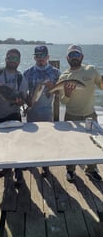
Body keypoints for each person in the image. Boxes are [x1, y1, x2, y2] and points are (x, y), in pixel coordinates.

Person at [59, 44, 103, 182]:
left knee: (93, 143)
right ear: (67, 58)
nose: (74, 57)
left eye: (76, 54)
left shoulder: (91, 70)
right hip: (71, 116)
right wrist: (67, 94)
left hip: (90, 115)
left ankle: (90, 169)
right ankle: (70, 170)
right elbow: (63, 101)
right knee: (71, 144)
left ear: (82, 56)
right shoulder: (64, 76)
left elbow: (101, 87)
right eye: (71, 55)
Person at [0, 48, 28, 185]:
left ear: (19, 61)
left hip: (14, 115)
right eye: (9, 57)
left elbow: (23, 98)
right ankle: (6, 167)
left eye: (15, 58)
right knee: (0, 145)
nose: (12, 60)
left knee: (17, 145)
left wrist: (21, 101)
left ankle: (18, 171)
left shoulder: (21, 78)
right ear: (5, 59)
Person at [24, 45, 60, 176]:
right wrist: (26, 102)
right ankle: (32, 161)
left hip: (46, 112)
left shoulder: (56, 72)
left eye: (43, 56)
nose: (41, 59)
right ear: (34, 57)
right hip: (32, 111)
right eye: (38, 56)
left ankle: (45, 165)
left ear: (48, 57)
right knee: (32, 138)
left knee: (47, 139)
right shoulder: (27, 72)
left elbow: (61, 92)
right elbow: (24, 92)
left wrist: (54, 87)